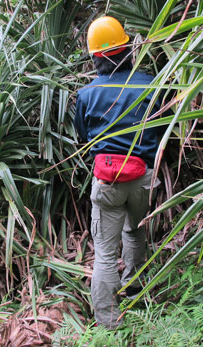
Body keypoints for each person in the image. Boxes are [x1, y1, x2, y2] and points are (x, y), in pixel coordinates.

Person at [73, 16, 163, 329]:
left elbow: (84, 136)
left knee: (105, 254)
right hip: (143, 179)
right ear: (128, 48)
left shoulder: (86, 95)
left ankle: (108, 324)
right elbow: (163, 127)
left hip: (107, 181)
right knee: (135, 231)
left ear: (96, 57)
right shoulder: (150, 83)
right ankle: (134, 286)